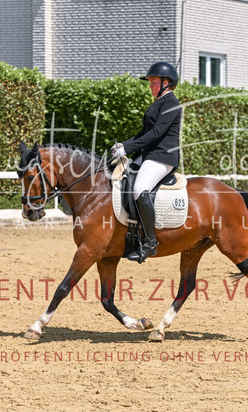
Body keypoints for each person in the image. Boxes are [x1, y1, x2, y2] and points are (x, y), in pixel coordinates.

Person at [111, 61, 182, 262]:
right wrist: (123, 146)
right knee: (120, 177)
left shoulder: (171, 104)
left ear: (166, 83)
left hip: (162, 156)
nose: (150, 86)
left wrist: (127, 149)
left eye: (153, 82)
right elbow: (144, 133)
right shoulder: (158, 103)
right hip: (149, 155)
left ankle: (150, 242)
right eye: (150, 82)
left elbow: (156, 133)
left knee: (139, 188)